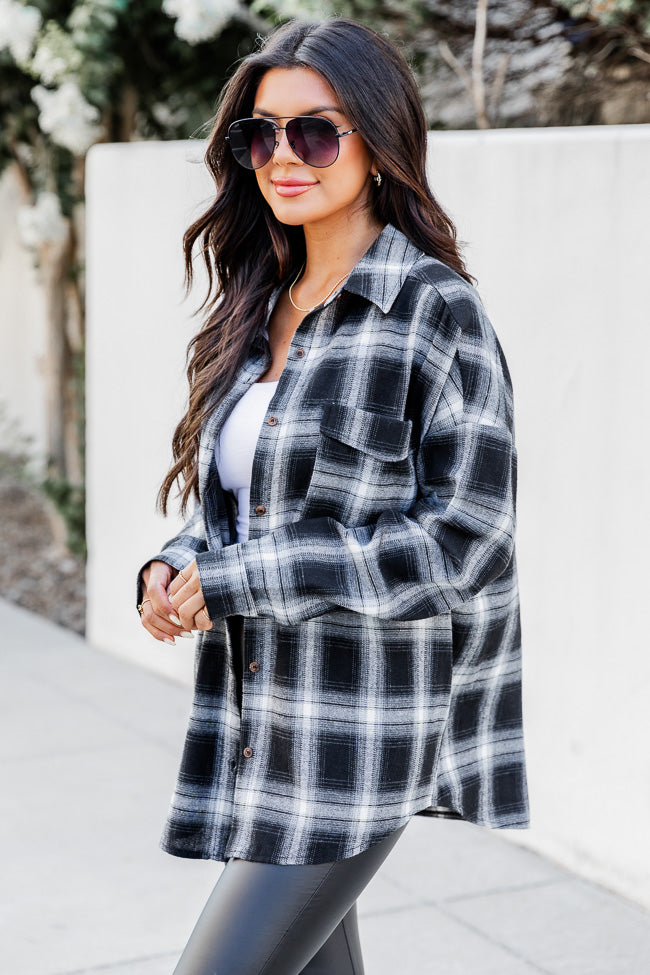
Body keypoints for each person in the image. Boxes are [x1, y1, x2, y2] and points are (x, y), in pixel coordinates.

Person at [136, 16, 530, 975]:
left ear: (378, 142)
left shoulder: (435, 310)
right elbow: (243, 505)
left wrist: (243, 573)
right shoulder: (259, 300)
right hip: (265, 725)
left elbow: (467, 542)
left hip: (366, 732)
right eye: (259, 134)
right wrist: (179, 563)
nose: (283, 156)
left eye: (314, 131)